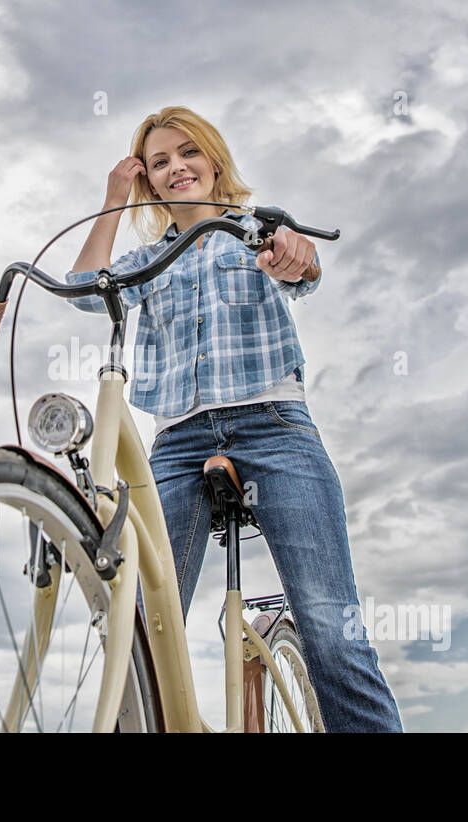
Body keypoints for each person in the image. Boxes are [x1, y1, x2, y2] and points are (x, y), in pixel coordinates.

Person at [64, 105, 402, 733]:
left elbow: (302, 267)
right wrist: (113, 199)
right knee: (138, 629)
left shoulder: (256, 229)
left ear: (213, 159)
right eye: (159, 162)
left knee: (332, 629)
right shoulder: (149, 257)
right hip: (178, 440)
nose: (176, 168)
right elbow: (86, 289)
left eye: (187, 152)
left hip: (273, 426)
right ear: (147, 180)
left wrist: (294, 257)